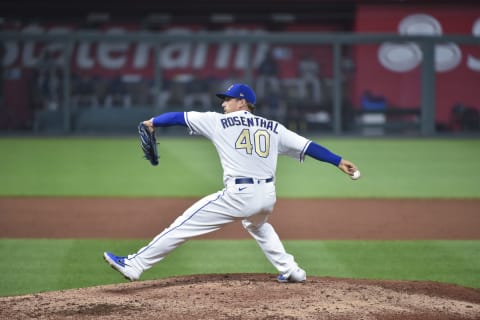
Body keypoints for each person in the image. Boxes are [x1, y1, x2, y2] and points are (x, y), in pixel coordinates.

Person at [103, 83, 359, 283]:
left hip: (239, 194)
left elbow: (179, 117)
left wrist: (152, 122)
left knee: (182, 225)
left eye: (228, 98)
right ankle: (292, 271)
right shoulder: (274, 127)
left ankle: (135, 264)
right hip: (267, 196)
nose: (223, 103)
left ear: (243, 102)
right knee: (258, 226)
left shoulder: (218, 122)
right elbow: (308, 146)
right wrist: (338, 161)